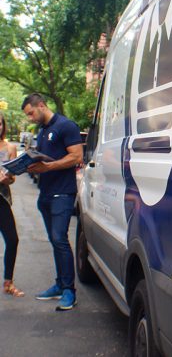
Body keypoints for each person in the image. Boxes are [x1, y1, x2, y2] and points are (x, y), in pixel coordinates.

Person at [21, 93, 83, 311]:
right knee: (55, 241)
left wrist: (47, 167)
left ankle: (69, 292)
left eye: (31, 113)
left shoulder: (66, 126)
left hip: (63, 194)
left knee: (60, 239)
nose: (30, 118)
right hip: (46, 194)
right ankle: (59, 285)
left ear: (41, 105)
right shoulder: (43, 130)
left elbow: (76, 157)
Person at [0, 113, 24, 297]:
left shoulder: (10, 148)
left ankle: (8, 282)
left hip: (2, 198)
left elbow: (13, 177)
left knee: (12, 239)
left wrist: (7, 179)